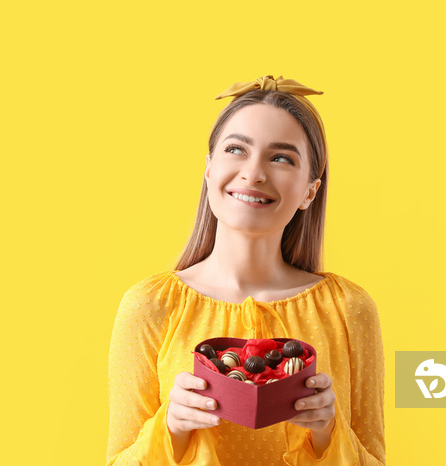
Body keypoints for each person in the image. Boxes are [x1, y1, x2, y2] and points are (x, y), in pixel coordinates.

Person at [106, 75, 385, 465]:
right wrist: (171, 429)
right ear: (208, 170)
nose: (254, 173)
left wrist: (326, 433)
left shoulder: (349, 309)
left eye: (281, 157)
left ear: (310, 190)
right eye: (236, 149)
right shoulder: (150, 307)